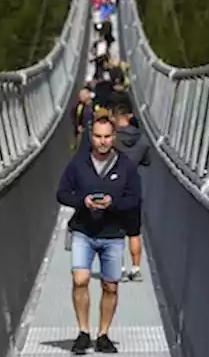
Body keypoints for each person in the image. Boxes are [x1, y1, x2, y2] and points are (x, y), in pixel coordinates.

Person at [57, 116, 142, 354]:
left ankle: (103, 335)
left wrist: (112, 204)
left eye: (107, 136)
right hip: (84, 230)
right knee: (80, 279)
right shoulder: (78, 163)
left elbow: (134, 199)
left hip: (113, 233)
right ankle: (83, 332)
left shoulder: (126, 166)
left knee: (110, 286)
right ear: (91, 137)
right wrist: (82, 202)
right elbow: (62, 193)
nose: (103, 141)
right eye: (98, 136)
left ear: (113, 137)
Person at [110, 100, 150, 282]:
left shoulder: (113, 139)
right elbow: (147, 161)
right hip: (134, 189)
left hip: (115, 189)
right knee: (134, 232)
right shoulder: (142, 139)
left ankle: (120, 267)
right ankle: (136, 269)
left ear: (117, 118)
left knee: (116, 232)